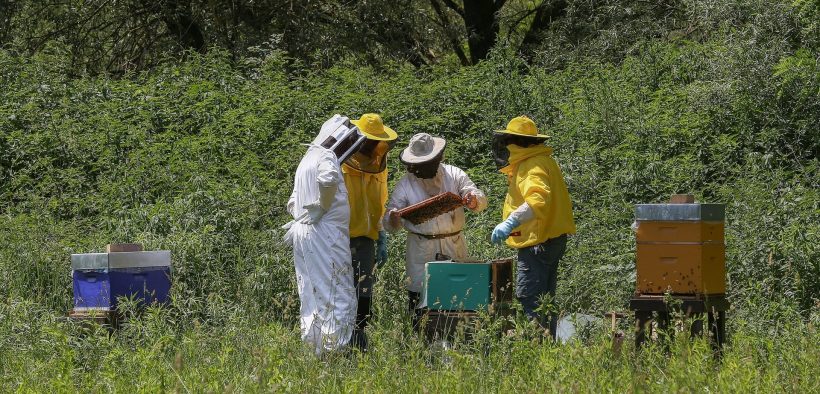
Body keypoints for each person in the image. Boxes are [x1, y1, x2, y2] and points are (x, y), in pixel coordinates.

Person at [384, 133, 487, 326]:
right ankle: (421, 344)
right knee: (419, 301)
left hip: (453, 244)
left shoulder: (454, 174)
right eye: (419, 164)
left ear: (438, 157)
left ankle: (456, 340)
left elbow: (478, 197)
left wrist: (473, 199)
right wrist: (393, 216)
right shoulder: (405, 184)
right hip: (420, 247)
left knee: (456, 297)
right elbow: (389, 222)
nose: (423, 168)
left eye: (427, 162)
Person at [283, 114, 365, 355]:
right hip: (325, 236)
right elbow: (328, 180)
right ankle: (335, 352)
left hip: (305, 234)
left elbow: (292, 202)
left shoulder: (306, 159)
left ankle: (314, 347)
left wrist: (304, 215)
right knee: (336, 290)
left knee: (310, 292)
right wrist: (321, 206)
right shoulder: (326, 156)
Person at [490, 116, 576, 339]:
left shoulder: (531, 164)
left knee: (530, 297)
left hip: (539, 242)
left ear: (516, 142)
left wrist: (510, 222)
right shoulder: (544, 160)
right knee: (546, 299)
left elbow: (537, 200)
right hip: (551, 239)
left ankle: (535, 350)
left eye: (509, 140)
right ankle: (547, 345)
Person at [341, 113, 397, 350]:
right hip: (339, 238)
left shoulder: (379, 166)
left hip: (366, 240)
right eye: (370, 141)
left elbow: (381, 201)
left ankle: (358, 342)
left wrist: (381, 234)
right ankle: (338, 343)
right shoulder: (339, 163)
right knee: (340, 294)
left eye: (378, 142)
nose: (375, 147)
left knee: (364, 295)